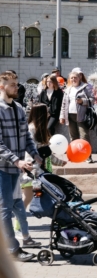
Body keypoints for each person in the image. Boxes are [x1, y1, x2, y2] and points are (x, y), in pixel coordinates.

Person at [0, 71, 41, 262]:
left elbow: (26, 137)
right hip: (2, 168)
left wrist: (35, 154)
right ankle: (12, 250)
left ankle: (20, 241)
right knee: (5, 209)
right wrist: (16, 160)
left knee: (15, 205)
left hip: (15, 169)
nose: (17, 87)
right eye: (13, 85)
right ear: (2, 86)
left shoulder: (18, 108)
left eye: (16, 84)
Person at [58, 68, 95, 164]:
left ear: (79, 78)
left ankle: (88, 156)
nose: (73, 79)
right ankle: (74, 155)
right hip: (70, 115)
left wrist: (83, 101)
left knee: (84, 137)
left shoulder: (85, 87)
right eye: (71, 78)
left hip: (82, 116)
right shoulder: (68, 89)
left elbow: (93, 100)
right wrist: (62, 116)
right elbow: (64, 104)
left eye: (75, 77)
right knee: (73, 137)